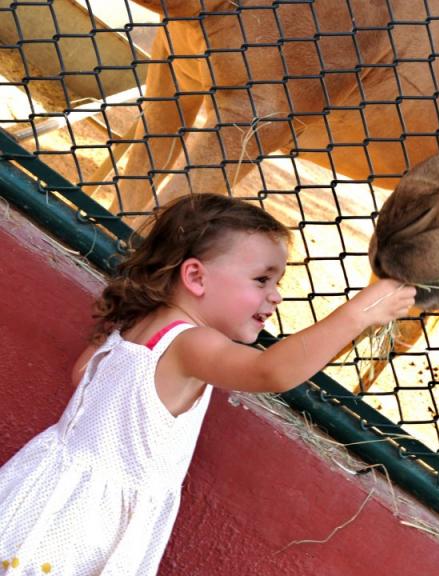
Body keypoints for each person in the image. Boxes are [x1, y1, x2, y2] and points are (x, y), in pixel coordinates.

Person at [0, 193, 416, 575]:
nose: (276, 297)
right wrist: (360, 313)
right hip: (83, 530)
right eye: (261, 280)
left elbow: (84, 380)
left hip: (38, 490)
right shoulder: (189, 344)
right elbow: (270, 371)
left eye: (278, 283)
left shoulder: (134, 328)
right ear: (196, 277)